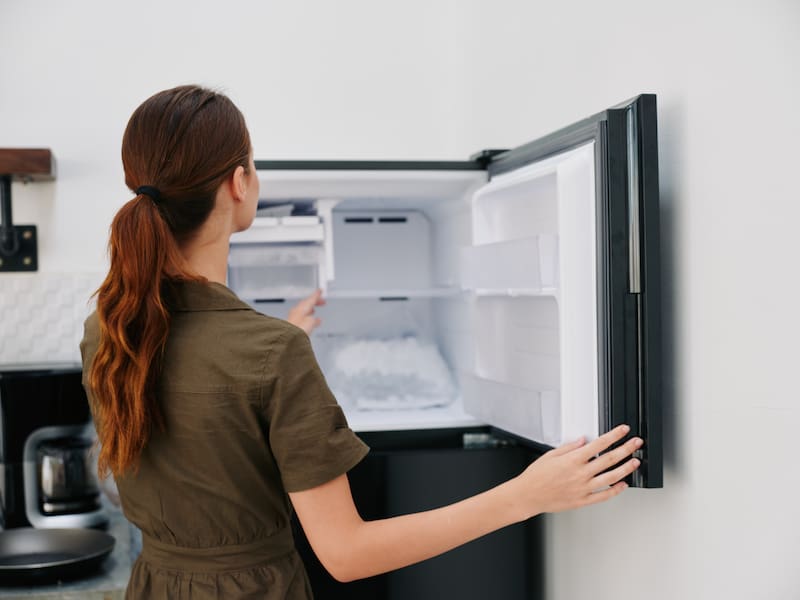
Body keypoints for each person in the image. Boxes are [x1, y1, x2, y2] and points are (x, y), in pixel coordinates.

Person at [80, 85, 643, 600]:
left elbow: (201, 393)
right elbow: (348, 554)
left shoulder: (109, 329)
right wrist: (525, 496)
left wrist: (277, 346)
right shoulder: (270, 354)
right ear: (239, 181)